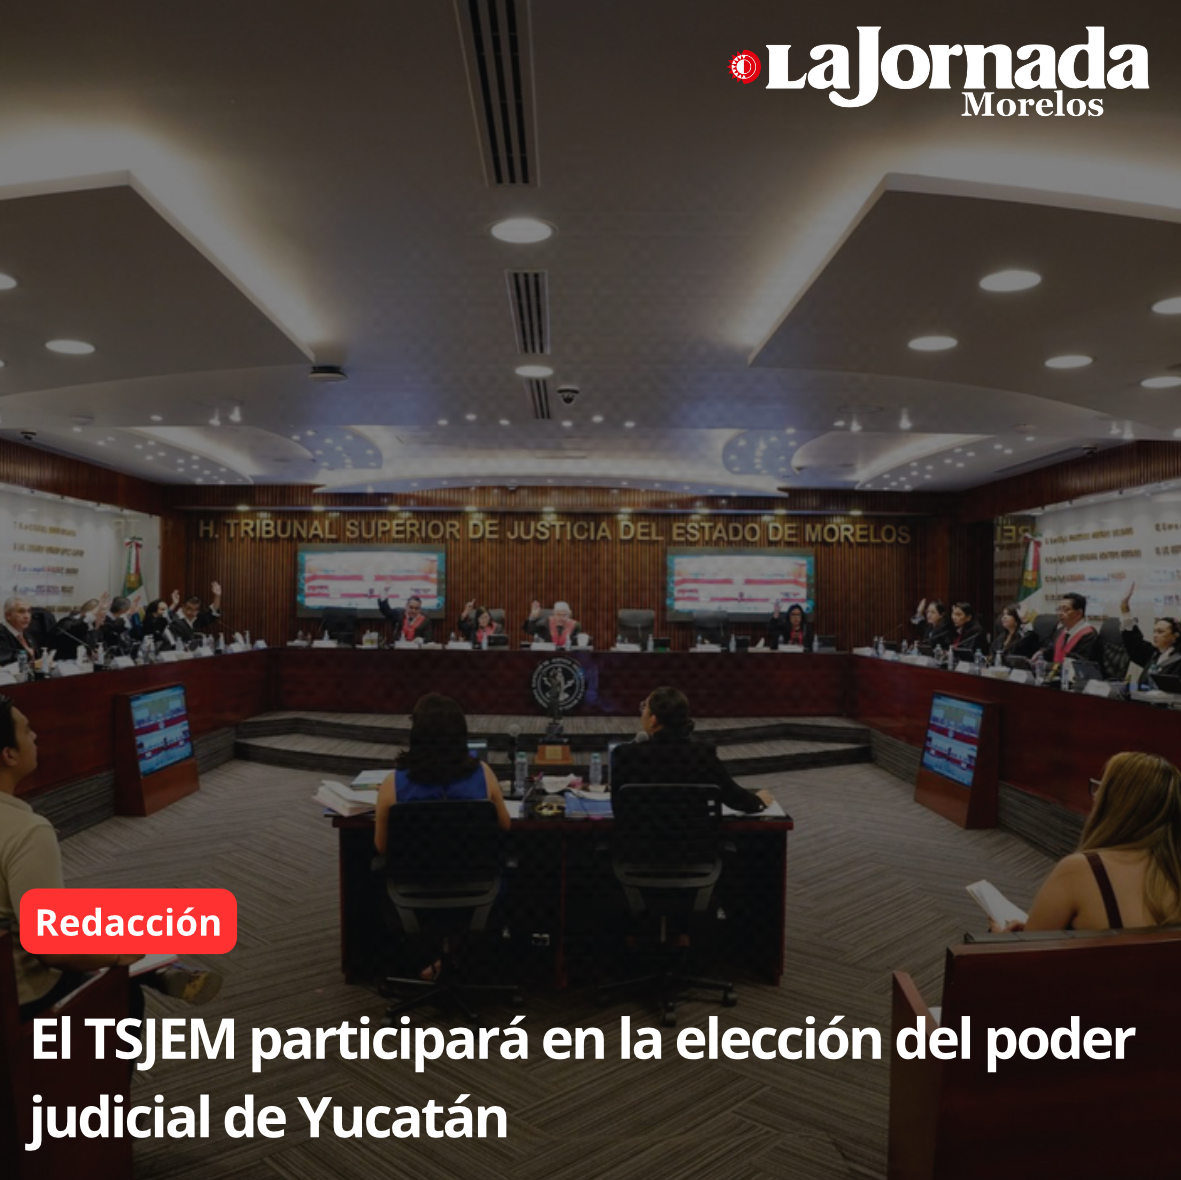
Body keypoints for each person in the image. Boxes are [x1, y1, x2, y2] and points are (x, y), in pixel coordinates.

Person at [0, 696, 221, 1020]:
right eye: (27, 730)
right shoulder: (27, 831)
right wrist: (117, 955)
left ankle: (157, 971)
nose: (35, 736)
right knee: (119, 983)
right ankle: (154, 969)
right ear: (8, 755)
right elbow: (52, 949)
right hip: (17, 997)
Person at [994, 752, 1181, 932]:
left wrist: (1003, 939)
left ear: (1114, 803)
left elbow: (1031, 951)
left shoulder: (1081, 870)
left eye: (1102, 788)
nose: (1096, 796)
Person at [374, 693, 511, 850]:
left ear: (416, 735)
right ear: (461, 734)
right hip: (472, 865)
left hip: (415, 866)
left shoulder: (391, 784)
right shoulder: (484, 774)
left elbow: (381, 846)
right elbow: (505, 825)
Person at [610, 686, 774, 814]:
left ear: (653, 720)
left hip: (640, 845)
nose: (642, 713)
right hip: (695, 846)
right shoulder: (702, 755)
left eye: (644, 707)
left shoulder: (625, 755)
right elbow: (733, 796)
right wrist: (757, 801)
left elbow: (618, 807)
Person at [1119, 582, 1181, 682]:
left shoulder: (1178, 660)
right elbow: (1133, 642)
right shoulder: (1153, 654)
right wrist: (1124, 608)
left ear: (1175, 636)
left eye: (1160, 632)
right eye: (1154, 631)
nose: (1155, 635)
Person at [1036, 591, 1104, 672]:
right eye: (1059, 609)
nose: (1060, 613)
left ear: (1078, 613)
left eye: (1065, 610)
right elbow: (1051, 649)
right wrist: (1042, 653)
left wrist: (1050, 666)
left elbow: (1079, 663)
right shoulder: (1061, 631)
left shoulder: (1089, 635)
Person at [168, 581, 222, 646]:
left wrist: (217, 596)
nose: (192, 612)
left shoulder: (198, 618)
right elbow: (164, 620)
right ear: (183, 607)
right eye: (189, 609)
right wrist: (174, 604)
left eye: (196, 610)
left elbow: (213, 613)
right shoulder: (175, 618)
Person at [0, 596, 41, 665]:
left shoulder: (28, 635)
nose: (27, 616)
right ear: (8, 615)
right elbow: (5, 658)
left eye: (29, 611)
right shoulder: (2, 634)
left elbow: (36, 658)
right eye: (21, 612)